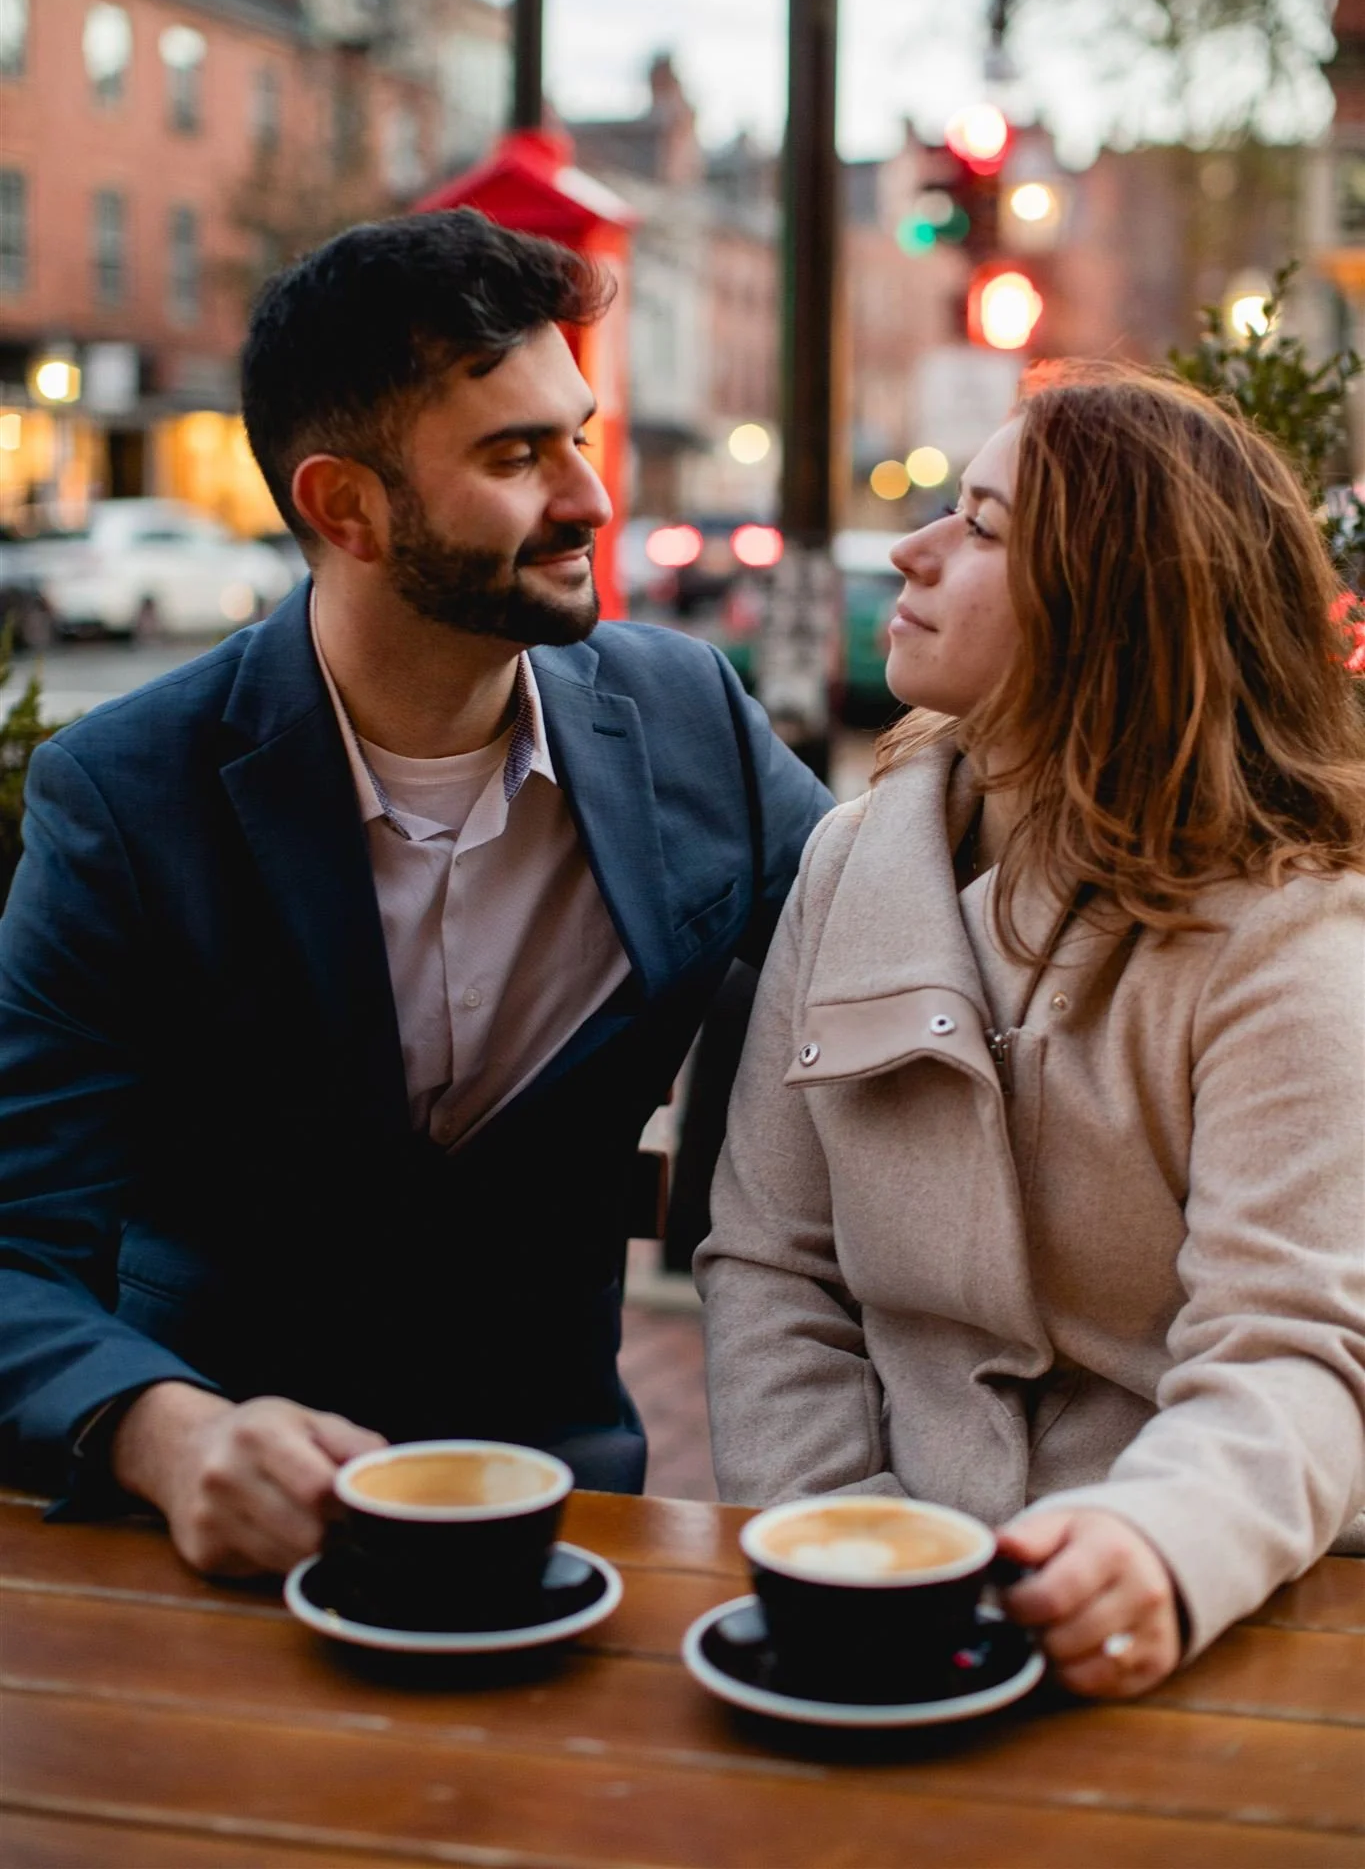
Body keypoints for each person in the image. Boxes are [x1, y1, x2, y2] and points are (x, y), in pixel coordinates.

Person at [0, 209, 832, 1577]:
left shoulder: (688, 721)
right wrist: (167, 1434)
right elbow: (17, 1240)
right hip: (211, 1552)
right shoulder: (129, 796)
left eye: (578, 432)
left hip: (567, 1527)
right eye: (517, 455)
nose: (590, 497)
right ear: (347, 508)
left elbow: (899, 942)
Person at [698, 366, 1365, 1699]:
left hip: (1189, 1627)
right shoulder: (847, 867)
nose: (913, 549)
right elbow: (772, 1268)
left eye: (985, 527)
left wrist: (1152, 1550)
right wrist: (851, 1548)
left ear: (1117, 611)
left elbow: (1293, 1349)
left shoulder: (1287, 933)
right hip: (864, 1591)